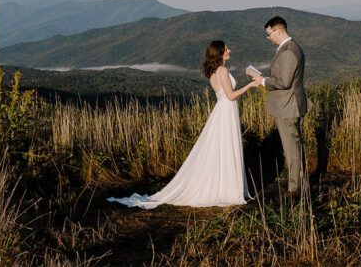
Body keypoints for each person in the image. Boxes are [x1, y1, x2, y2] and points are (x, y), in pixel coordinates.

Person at [108, 41, 255, 209]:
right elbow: (230, 96)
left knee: (221, 148)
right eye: (226, 49)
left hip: (221, 111)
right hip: (226, 110)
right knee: (226, 147)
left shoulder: (214, 72)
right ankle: (227, 188)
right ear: (220, 53)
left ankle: (224, 185)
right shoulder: (222, 70)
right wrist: (250, 85)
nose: (230, 50)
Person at [251, 15, 309, 197]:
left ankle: (294, 189)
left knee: (292, 148)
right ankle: (302, 185)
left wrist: (263, 81)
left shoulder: (289, 51)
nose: (268, 38)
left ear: (278, 30)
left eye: (269, 34)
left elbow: (284, 82)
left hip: (287, 106)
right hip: (290, 104)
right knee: (295, 146)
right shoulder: (289, 48)